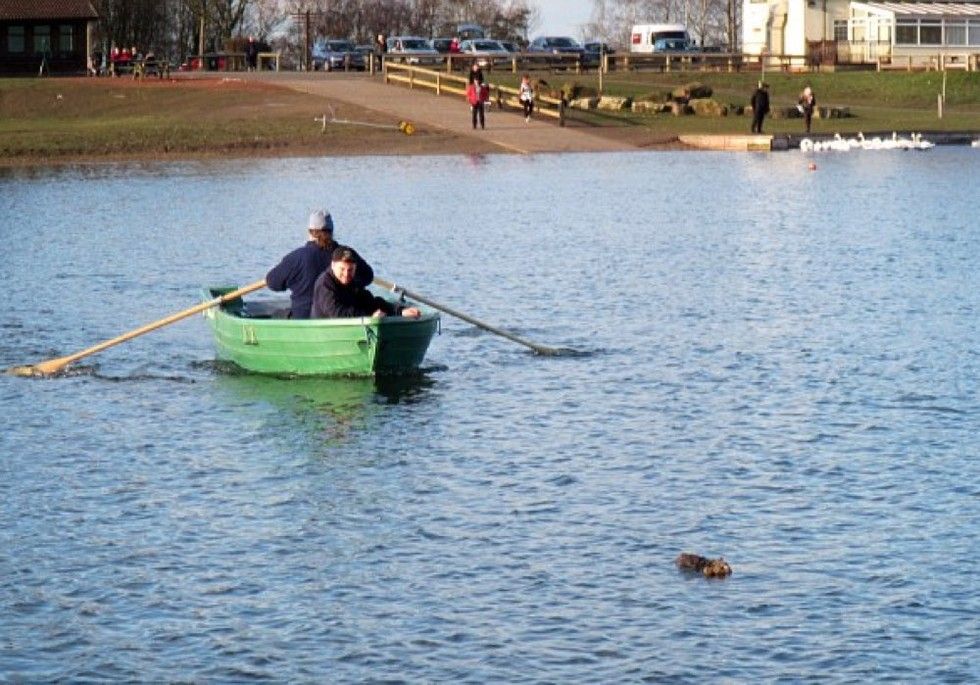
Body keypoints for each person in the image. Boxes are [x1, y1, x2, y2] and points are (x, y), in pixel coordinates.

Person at [266, 210, 373, 319]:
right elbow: (368, 277)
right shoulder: (346, 255)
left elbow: (272, 283)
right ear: (332, 232)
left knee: (276, 315)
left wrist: (294, 280)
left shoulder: (296, 257)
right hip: (338, 315)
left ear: (309, 232)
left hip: (302, 318)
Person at [311, 247, 421, 319]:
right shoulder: (325, 284)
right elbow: (337, 313)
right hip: (327, 332)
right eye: (342, 269)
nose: (346, 274)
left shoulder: (352, 282)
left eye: (350, 270)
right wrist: (370, 317)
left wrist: (400, 311)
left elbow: (370, 302)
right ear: (333, 265)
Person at [466, 64, 489, 130]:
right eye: (475, 80)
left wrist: (484, 99)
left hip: (480, 101)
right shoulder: (472, 86)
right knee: (474, 114)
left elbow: (486, 94)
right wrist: (470, 99)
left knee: (481, 114)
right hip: (474, 101)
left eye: (477, 81)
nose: (476, 82)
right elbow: (468, 94)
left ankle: (482, 125)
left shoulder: (482, 87)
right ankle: (474, 125)